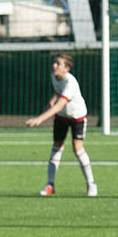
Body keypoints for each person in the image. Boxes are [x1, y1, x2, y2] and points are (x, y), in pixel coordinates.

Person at [26, 53, 97, 197]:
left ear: (67, 68)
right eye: (54, 62)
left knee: (78, 149)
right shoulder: (54, 76)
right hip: (62, 117)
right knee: (56, 147)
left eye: (58, 63)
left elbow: (59, 106)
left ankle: (91, 184)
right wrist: (50, 102)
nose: (54, 66)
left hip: (77, 117)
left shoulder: (71, 83)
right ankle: (50, 185)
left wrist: (40, 119)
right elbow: (57, 93)